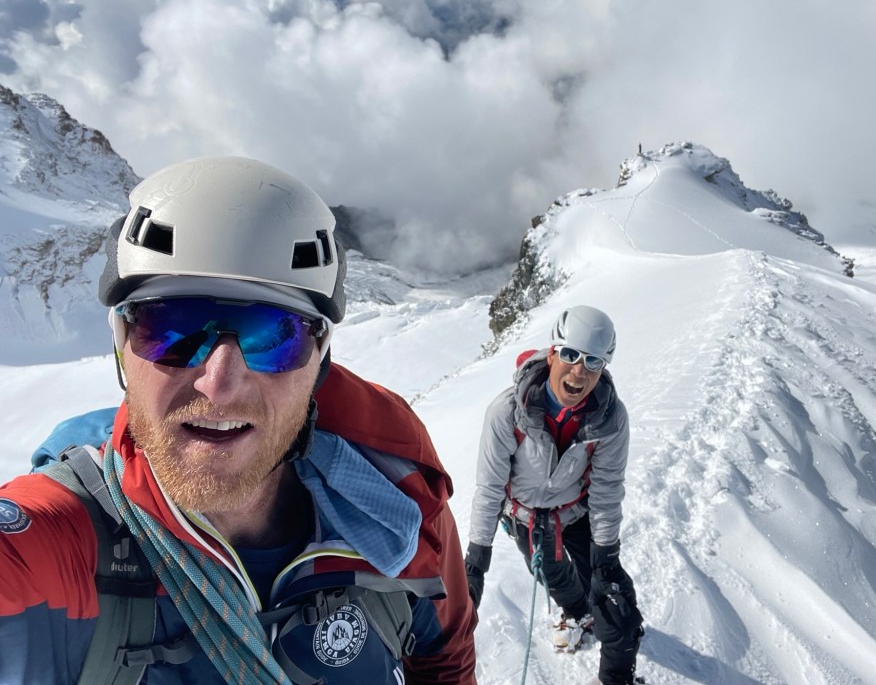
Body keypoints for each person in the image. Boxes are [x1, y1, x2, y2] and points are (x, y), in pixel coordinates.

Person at [0, 157, 477, 684]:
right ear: (121, 347)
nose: (219, 385)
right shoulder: (62, 541)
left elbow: (445, 662)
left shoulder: (395, 509)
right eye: (172, 329)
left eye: (274, 337)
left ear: (318, 362)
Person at [464, 306, 644, 685]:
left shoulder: (610, 420)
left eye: (593, 361)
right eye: (570, 355)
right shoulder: (507, 412)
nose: (579, 371)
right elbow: (490, 488)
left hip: (577, 512)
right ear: (552, 355)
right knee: (554, 576)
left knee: (617, 607)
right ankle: (578, 613)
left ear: (603, 369)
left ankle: (615, 676)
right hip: (527, 518)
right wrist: (475, 563)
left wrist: (606, 558)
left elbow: (607, 488)